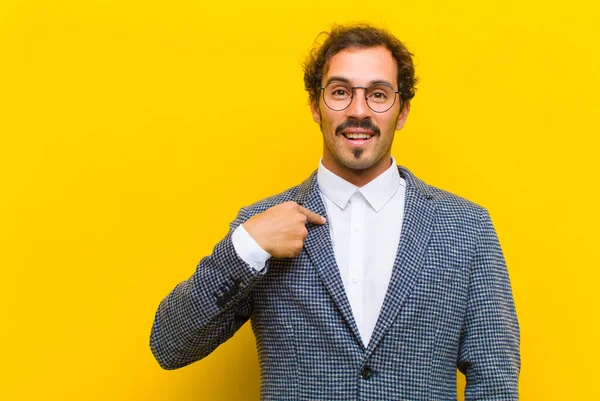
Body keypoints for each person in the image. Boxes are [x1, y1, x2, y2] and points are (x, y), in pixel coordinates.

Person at [150, 23, 520, 400]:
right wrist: (246, 247)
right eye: (340, 92)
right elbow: (170, 346)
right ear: (315, 105)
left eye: (378, 94)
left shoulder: (465, 227)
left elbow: (495, 380)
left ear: (403, 110)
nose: (358, 111)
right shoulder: (261, 225)